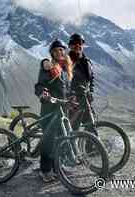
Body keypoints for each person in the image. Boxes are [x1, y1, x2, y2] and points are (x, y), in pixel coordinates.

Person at [34, 39, 73, 183]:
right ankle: (45, 170)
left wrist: (71, 98)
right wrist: (43, 94)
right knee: (48, 141)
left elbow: (65, 90)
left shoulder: (64, 70)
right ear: (52, 53)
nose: (60, 52)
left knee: (62, 138)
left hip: (62, 109)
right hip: (49, 109)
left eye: (62, 49)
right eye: (56, 50)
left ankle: (58, 168)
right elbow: (40, 85)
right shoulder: (48, 66)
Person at [67, 33, 97, 136]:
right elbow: (64, 81)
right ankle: (68, 151)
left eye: (80, 43)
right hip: (73, 101)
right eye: (75, 44)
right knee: (72, 130)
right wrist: (71, 94)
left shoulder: (86, 61)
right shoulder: (67, 61)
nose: (78, 46)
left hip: (85, 98)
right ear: (70, 46)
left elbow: (91, 79)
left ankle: (92, 151)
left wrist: (90, 92)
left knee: (91, 127)